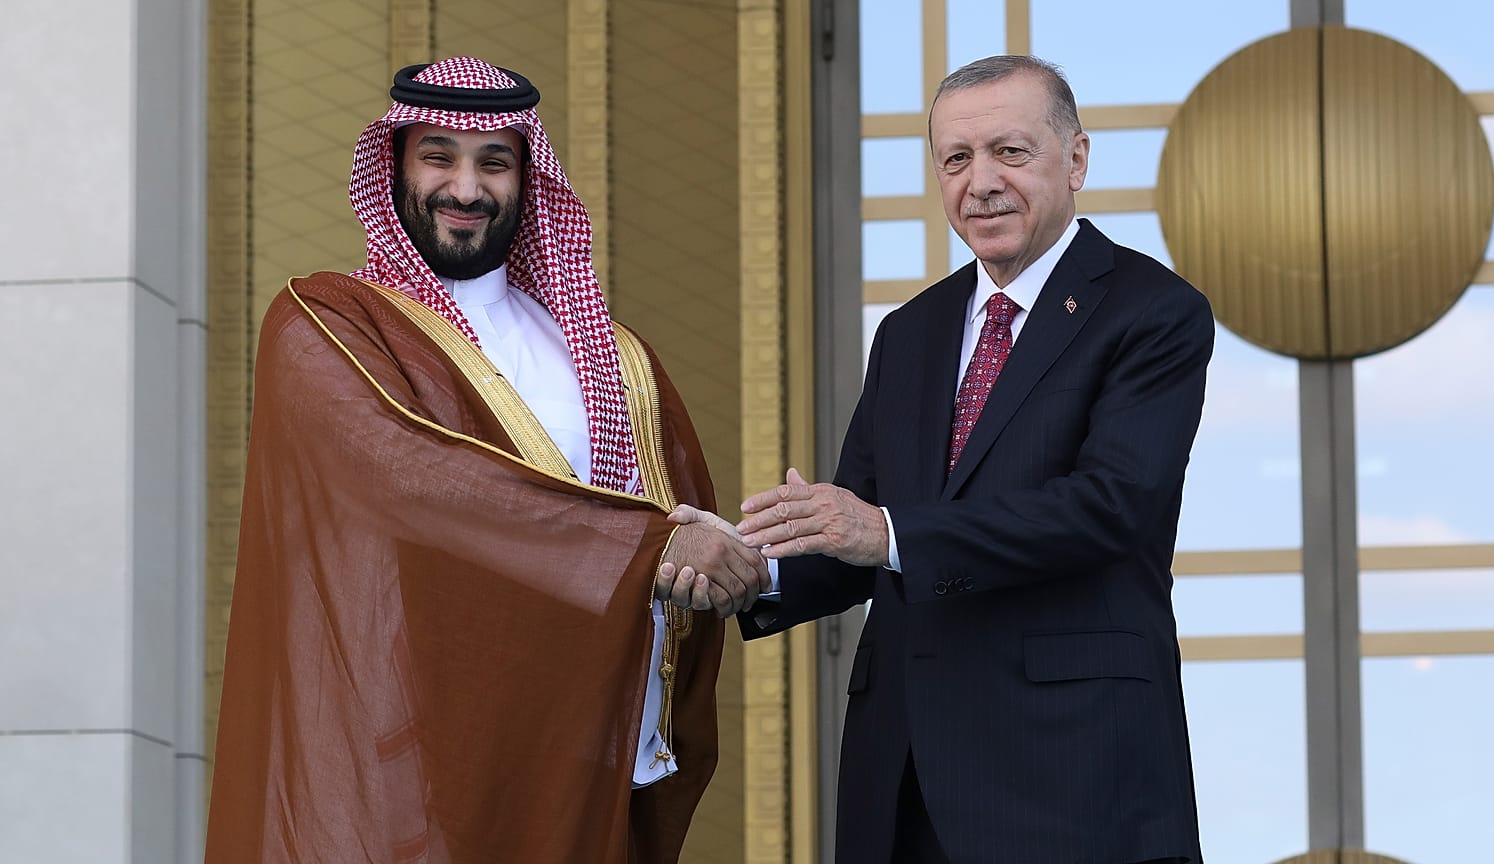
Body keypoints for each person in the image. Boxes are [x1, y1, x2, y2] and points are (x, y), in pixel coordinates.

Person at [205, 56, 768, 863]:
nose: (465, 189)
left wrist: (757, 558)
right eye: (439, 156)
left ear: (526, 179)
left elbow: (683, 522)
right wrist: (649, 548)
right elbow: (410, 479)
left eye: (493, 163)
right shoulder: (324, 324)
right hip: (417, 759)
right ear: (396, 164)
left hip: (584, 754)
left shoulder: (613, 358)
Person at [724, 55, 1213, 864]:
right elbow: (857, 535)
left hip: (1073, 777)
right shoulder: (911, 331)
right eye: (956, 159)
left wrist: (881, 533)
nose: (979, 182)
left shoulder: (1154, 312)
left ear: (1078, 159)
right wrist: (749, 570)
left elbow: (1108, 506)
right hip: (904, 779)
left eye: (1009, 153)